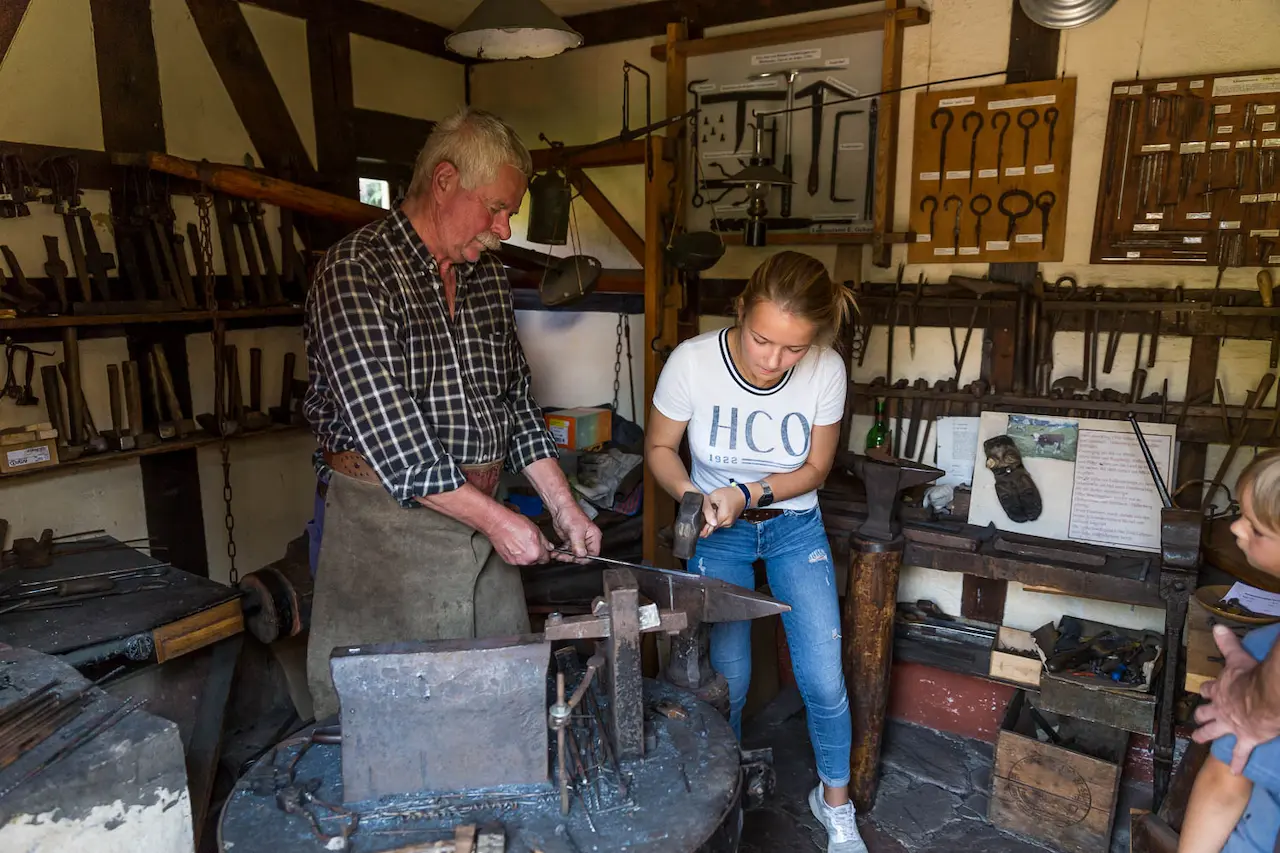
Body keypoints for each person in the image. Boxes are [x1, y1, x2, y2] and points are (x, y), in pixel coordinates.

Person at [302, 106, 601, 719]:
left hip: (482, 526)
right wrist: (500, 522)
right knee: (394, 717)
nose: (503, 227)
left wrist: (563, 507)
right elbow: (396, 442)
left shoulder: (486, 276)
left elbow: (516, 402)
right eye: (495, 208)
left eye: (510, 212)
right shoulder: (355, 272)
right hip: (387, 531)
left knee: (505, 700)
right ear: (444, 181)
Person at [645, 251, 864, 853]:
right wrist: (695, 499)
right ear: (740, 310)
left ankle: (835, 805)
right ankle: (729, 798)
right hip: (720, 531)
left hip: (794, 526)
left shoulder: (826, 369)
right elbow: (659, 448)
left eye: (793, 348)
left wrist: (748, 492)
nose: (772, 361)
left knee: (823, 677)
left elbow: (816, 468)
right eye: (762, 340)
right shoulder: (693, 362)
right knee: (729, 678)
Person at [1181, 449, 1280, 853]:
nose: (1236, 528)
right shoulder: (1262, 650)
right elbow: (1224, 787)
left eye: (1255, 527)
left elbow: (1222, 789)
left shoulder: (1259, 653)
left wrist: (1254, 697)